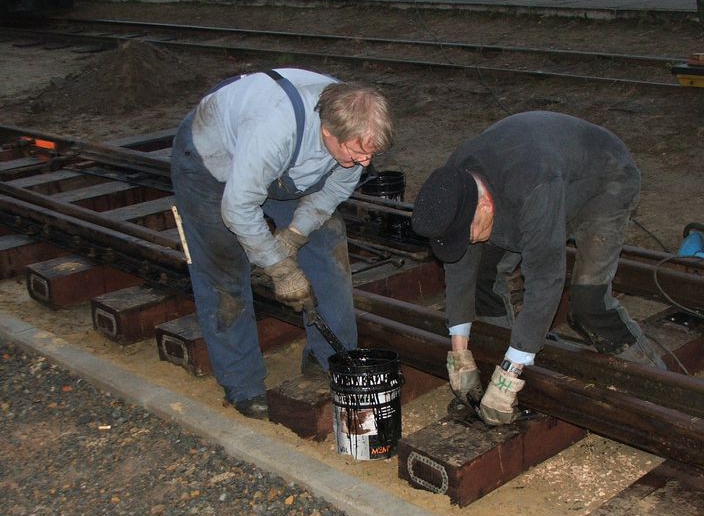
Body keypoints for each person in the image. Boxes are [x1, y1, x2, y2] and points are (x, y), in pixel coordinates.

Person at [411, 111, 665, 426]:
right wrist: (459, 351)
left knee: (588, 304)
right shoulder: (456, 179)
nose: (471, 241)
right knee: (482, 279)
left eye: (470, 232)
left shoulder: (533, 184)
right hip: (535, 179)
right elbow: (461, 264)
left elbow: (546, 278)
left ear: (485, 206)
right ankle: (505, 354)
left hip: (604, 180)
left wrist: (509, 377)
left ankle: (657, 387)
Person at [170, 68, 393, 420]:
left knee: (328, 244)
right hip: (212, 162)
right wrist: (280, 268)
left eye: (370, 154)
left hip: (285, 169)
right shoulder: (274, 130)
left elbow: (334, 189)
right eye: (356, 153)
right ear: (327, 131)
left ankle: (329, 359)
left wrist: (295, 234)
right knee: (224, 271)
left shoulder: (354, 133)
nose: (365, 163)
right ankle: (242, 384)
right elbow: (238, 208)